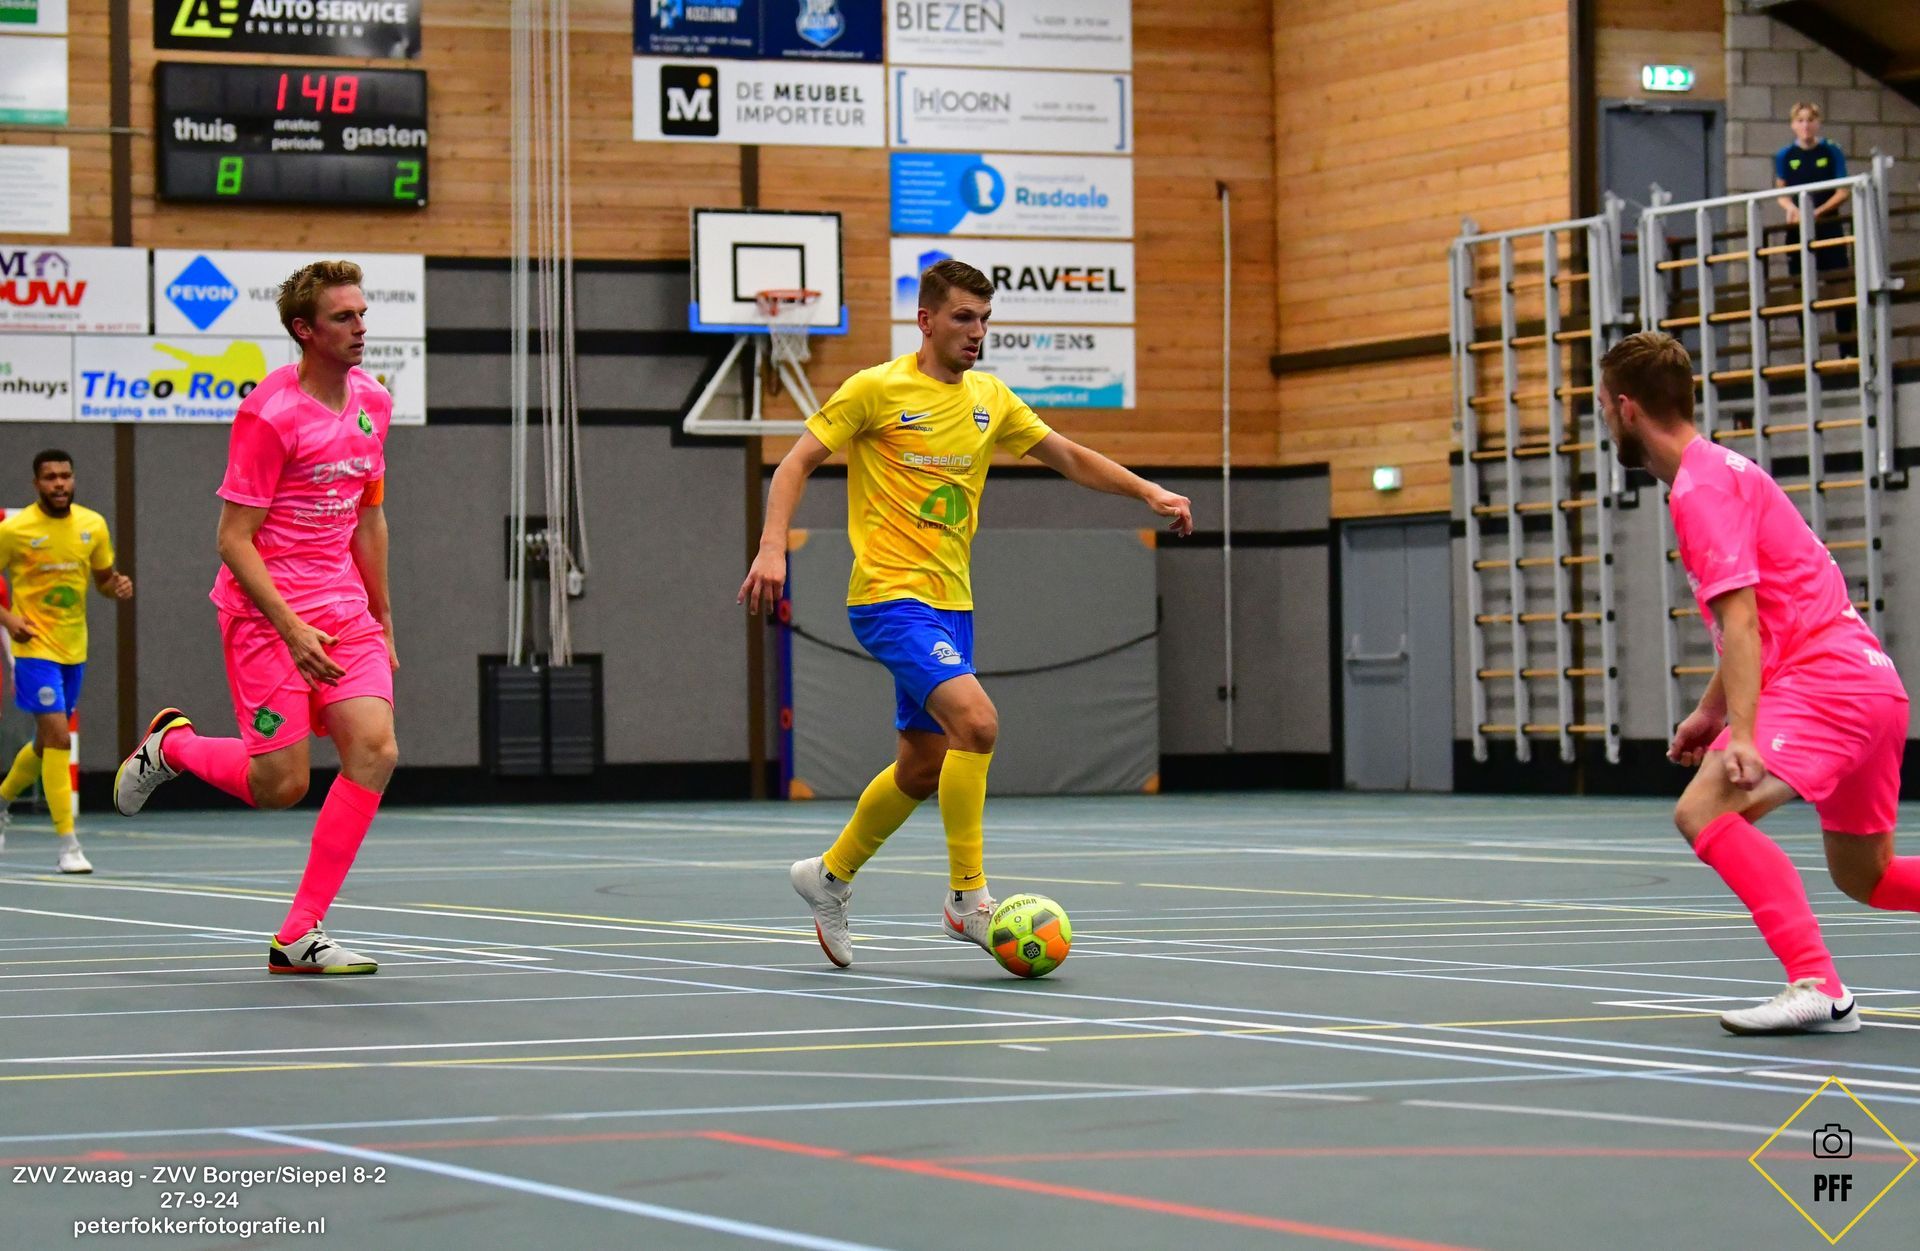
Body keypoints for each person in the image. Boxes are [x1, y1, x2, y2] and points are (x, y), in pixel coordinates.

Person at [740, 258, 1193, 968]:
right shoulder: (875, 389)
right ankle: (967, 899)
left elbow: (1068, 456)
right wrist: (773, 548)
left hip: (953, 606)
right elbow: (794, 463)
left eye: (984, 319)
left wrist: (1147, 492)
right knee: (977, 723)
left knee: (922, 766)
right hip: (889, 598)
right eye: (962, 317)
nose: (977, 331)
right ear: (925, 321)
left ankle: (828, 876)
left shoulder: (991, 399)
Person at [1598, 331, 1912, 1035]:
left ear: (1626, 408)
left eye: (1602, 408)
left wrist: (1743, 735)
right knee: (1868, 875)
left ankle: (1819, 986)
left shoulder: (1700, 491)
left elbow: (1741, 622)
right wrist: (1712, 713)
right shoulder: (1724, 471)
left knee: (1704, 810)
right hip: (1871, 686)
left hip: (1825, 685)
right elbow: (1761, 623)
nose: (1605, 421)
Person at [113, 260, 399, 976]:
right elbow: (232, 540)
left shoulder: (374, 402)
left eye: (362, 314)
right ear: (305, 330)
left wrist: (383, 615)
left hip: (343, 608)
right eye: (343, 317)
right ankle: (173, 748)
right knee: (281, 786)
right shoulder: (270, 414)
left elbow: (369, 517)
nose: (360, 328)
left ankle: (299, 933)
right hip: (266, 614)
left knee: (375, 750)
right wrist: (292, 629)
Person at [0, 451, 134, 873]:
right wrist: (9, 619)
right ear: (36, 484)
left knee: (46, 743)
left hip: (74, 648)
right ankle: (68, 845)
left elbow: (103, 581)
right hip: (32, 648)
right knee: (59, 737)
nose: (59, 483)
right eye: (50, 477)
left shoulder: (92, 525)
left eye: (65, 476)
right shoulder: (15, 530)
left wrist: (117, 587)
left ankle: (1, 801)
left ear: (73, 480)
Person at [1773, 101, 1854, 338]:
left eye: (1810, 120)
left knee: (1840, 285)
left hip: (1828, 227)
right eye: (1800, 120)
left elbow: (1843, 191)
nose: (1805, 125)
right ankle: (1808, 346)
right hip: (1798, 230)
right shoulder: (1785, 155)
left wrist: (1817, 212)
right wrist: (1792, 209)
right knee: (1801, 289)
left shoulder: (1831, 150)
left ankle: (1847, 348)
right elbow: (1781, 193)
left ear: (1818, 123)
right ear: (1793, 124)